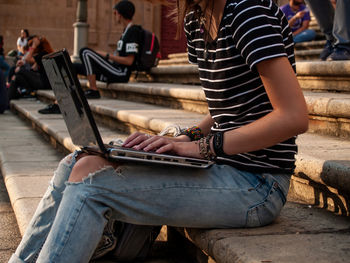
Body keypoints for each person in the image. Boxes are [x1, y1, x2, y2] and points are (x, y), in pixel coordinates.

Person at [9, 0, 309, 262]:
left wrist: (202, 147)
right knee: (77, 161)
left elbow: (293, 117)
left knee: (91, 184)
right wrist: (182, 138)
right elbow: (226, 108)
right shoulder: (196, 18)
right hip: (221, 165)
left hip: (258, 183)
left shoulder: (249, 12)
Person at [74, 0, 141, 99]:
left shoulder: (133, 31)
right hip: (114, 68)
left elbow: (129, 61)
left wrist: (107, 56)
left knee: (85, 52)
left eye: (115, 13)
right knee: (73, 66)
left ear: (120, 14)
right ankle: (67, 97)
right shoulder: (126, 31)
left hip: (120, 73)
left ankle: (93, 90)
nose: (115, 16)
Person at [8, 35, 54, 101]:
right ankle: (11, 97)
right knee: (17, 77)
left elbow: (27, 59)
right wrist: (23, 63)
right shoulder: (42, 55)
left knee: (19, 70)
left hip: (45, 83)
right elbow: (33, 68)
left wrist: (34, 46)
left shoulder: (44, 54)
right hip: (42, 81)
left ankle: (9, 98)